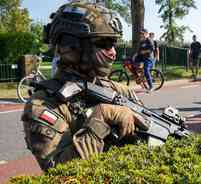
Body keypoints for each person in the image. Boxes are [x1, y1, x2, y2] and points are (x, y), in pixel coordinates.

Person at [21, 1, 148, 171]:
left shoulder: (119, 90)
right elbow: (60, 173)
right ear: (72, 46)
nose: (113, 52)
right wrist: (100, 118)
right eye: (104, 43)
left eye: (114, 44)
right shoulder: (43, 105)